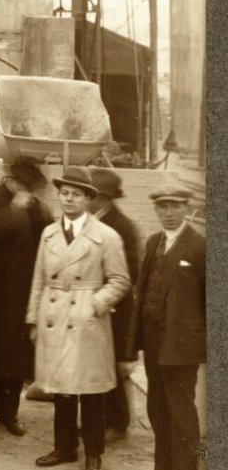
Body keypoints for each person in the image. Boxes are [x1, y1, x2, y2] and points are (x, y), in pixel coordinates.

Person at [27, 166, 131, 470]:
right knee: (61, 389)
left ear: (88, 199)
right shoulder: (48, 233)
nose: (68, 199)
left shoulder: (106, 236)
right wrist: (33, 318)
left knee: (91, 392)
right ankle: (65, 447)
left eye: (76, 194)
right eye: (64, 193)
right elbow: (40, 280)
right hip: (54, 316)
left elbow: (120, 280)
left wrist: (95, 305)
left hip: (88, 320)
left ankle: (94, 455)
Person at [125, 184, 206, 470]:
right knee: (157, 407)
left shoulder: (199, 247)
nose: (169, 213)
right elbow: (143, 291)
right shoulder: (154, 241)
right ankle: (163, 469)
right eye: (163, 207)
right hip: (154, 341)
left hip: (183, 345)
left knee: (183, 412)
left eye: (175, 206)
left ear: (186, 208)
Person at [0, 161, 51, 436]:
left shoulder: (32, 204)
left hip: (21, 292)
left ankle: (11, 413)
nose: (28, 193)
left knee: (16, 357)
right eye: (24, 186)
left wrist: (39, 210)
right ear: (10, 181)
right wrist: (13, 210)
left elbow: (46, 236)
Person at [89, 168, 143, 441]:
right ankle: (102, 421)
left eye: (93, 195)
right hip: (97, 305)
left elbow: (131, 271)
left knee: (114, 367)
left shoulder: (120, 226)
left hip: (117, 308)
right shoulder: (94, 220)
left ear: (104, 198)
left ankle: (117, 423)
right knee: (97, 366)